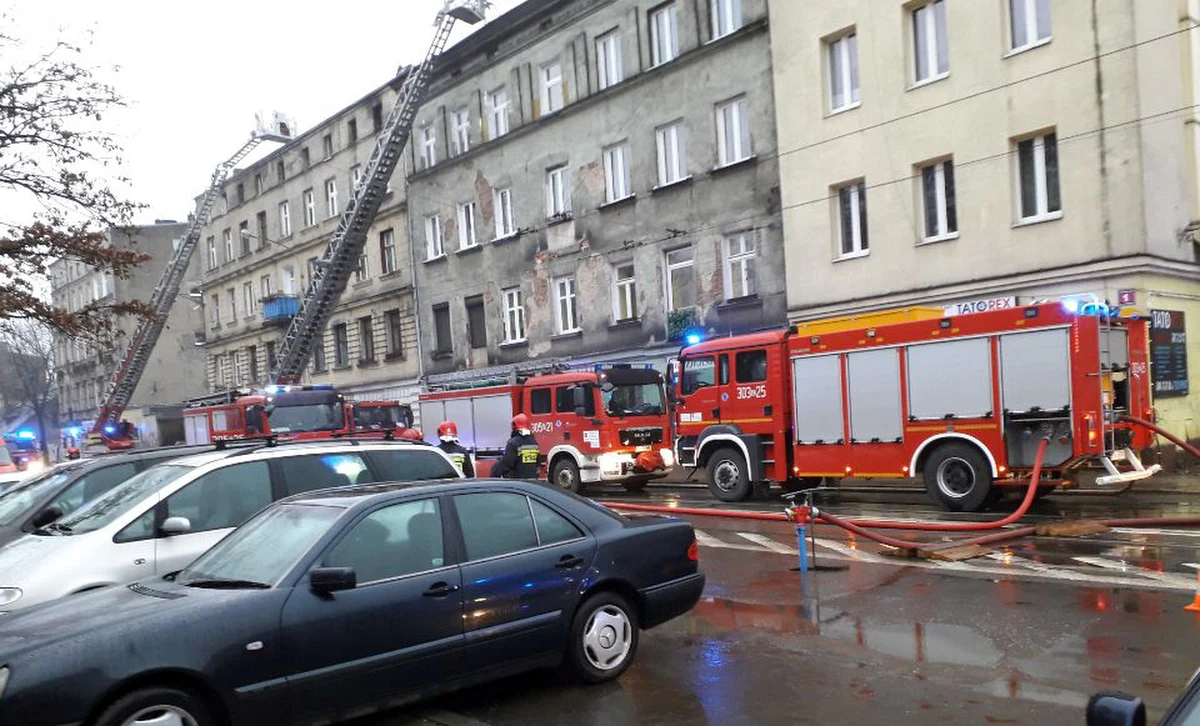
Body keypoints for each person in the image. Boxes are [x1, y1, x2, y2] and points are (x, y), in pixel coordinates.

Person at [492, 413, 540, 479]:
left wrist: (494, 474)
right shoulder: (534, 442)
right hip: (531, 482)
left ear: (514, 426)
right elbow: (538, 465)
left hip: (517, 483)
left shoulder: (513, 443)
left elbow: (506, 463)